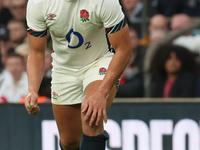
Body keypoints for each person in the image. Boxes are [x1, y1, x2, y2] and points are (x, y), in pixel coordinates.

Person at [25, 0, 132, 150]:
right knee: (69, 142)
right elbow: (36, 52)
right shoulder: (38, 3)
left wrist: (101, 92)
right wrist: (32, 90)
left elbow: (124, 49)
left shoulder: (103, 2)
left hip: (99, 61)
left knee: (91, 116)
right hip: (64, 68)